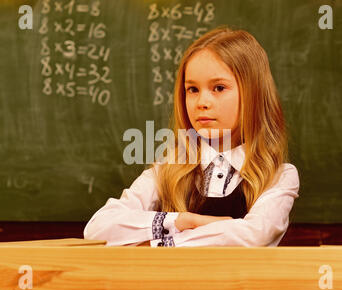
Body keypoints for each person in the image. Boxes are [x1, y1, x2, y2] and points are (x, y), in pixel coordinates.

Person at [84, 26, 299, 247]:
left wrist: (156, 244)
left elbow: (253, 236)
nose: (202, 102)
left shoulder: (278, 176)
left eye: (218, 88)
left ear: (253, 93)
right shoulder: (168, 170)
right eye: (192, 90)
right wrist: (182, 220)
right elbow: (98, 228)